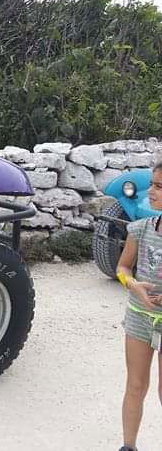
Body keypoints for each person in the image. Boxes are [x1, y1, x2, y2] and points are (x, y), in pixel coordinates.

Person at [117, 162, 162, 451]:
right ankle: (128, 446)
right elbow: (122, 267)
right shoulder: (141, 229)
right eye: (153, 184)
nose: (151, 191)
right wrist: (132, 285)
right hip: (138, 317)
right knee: (135, 386)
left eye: (159, 187)